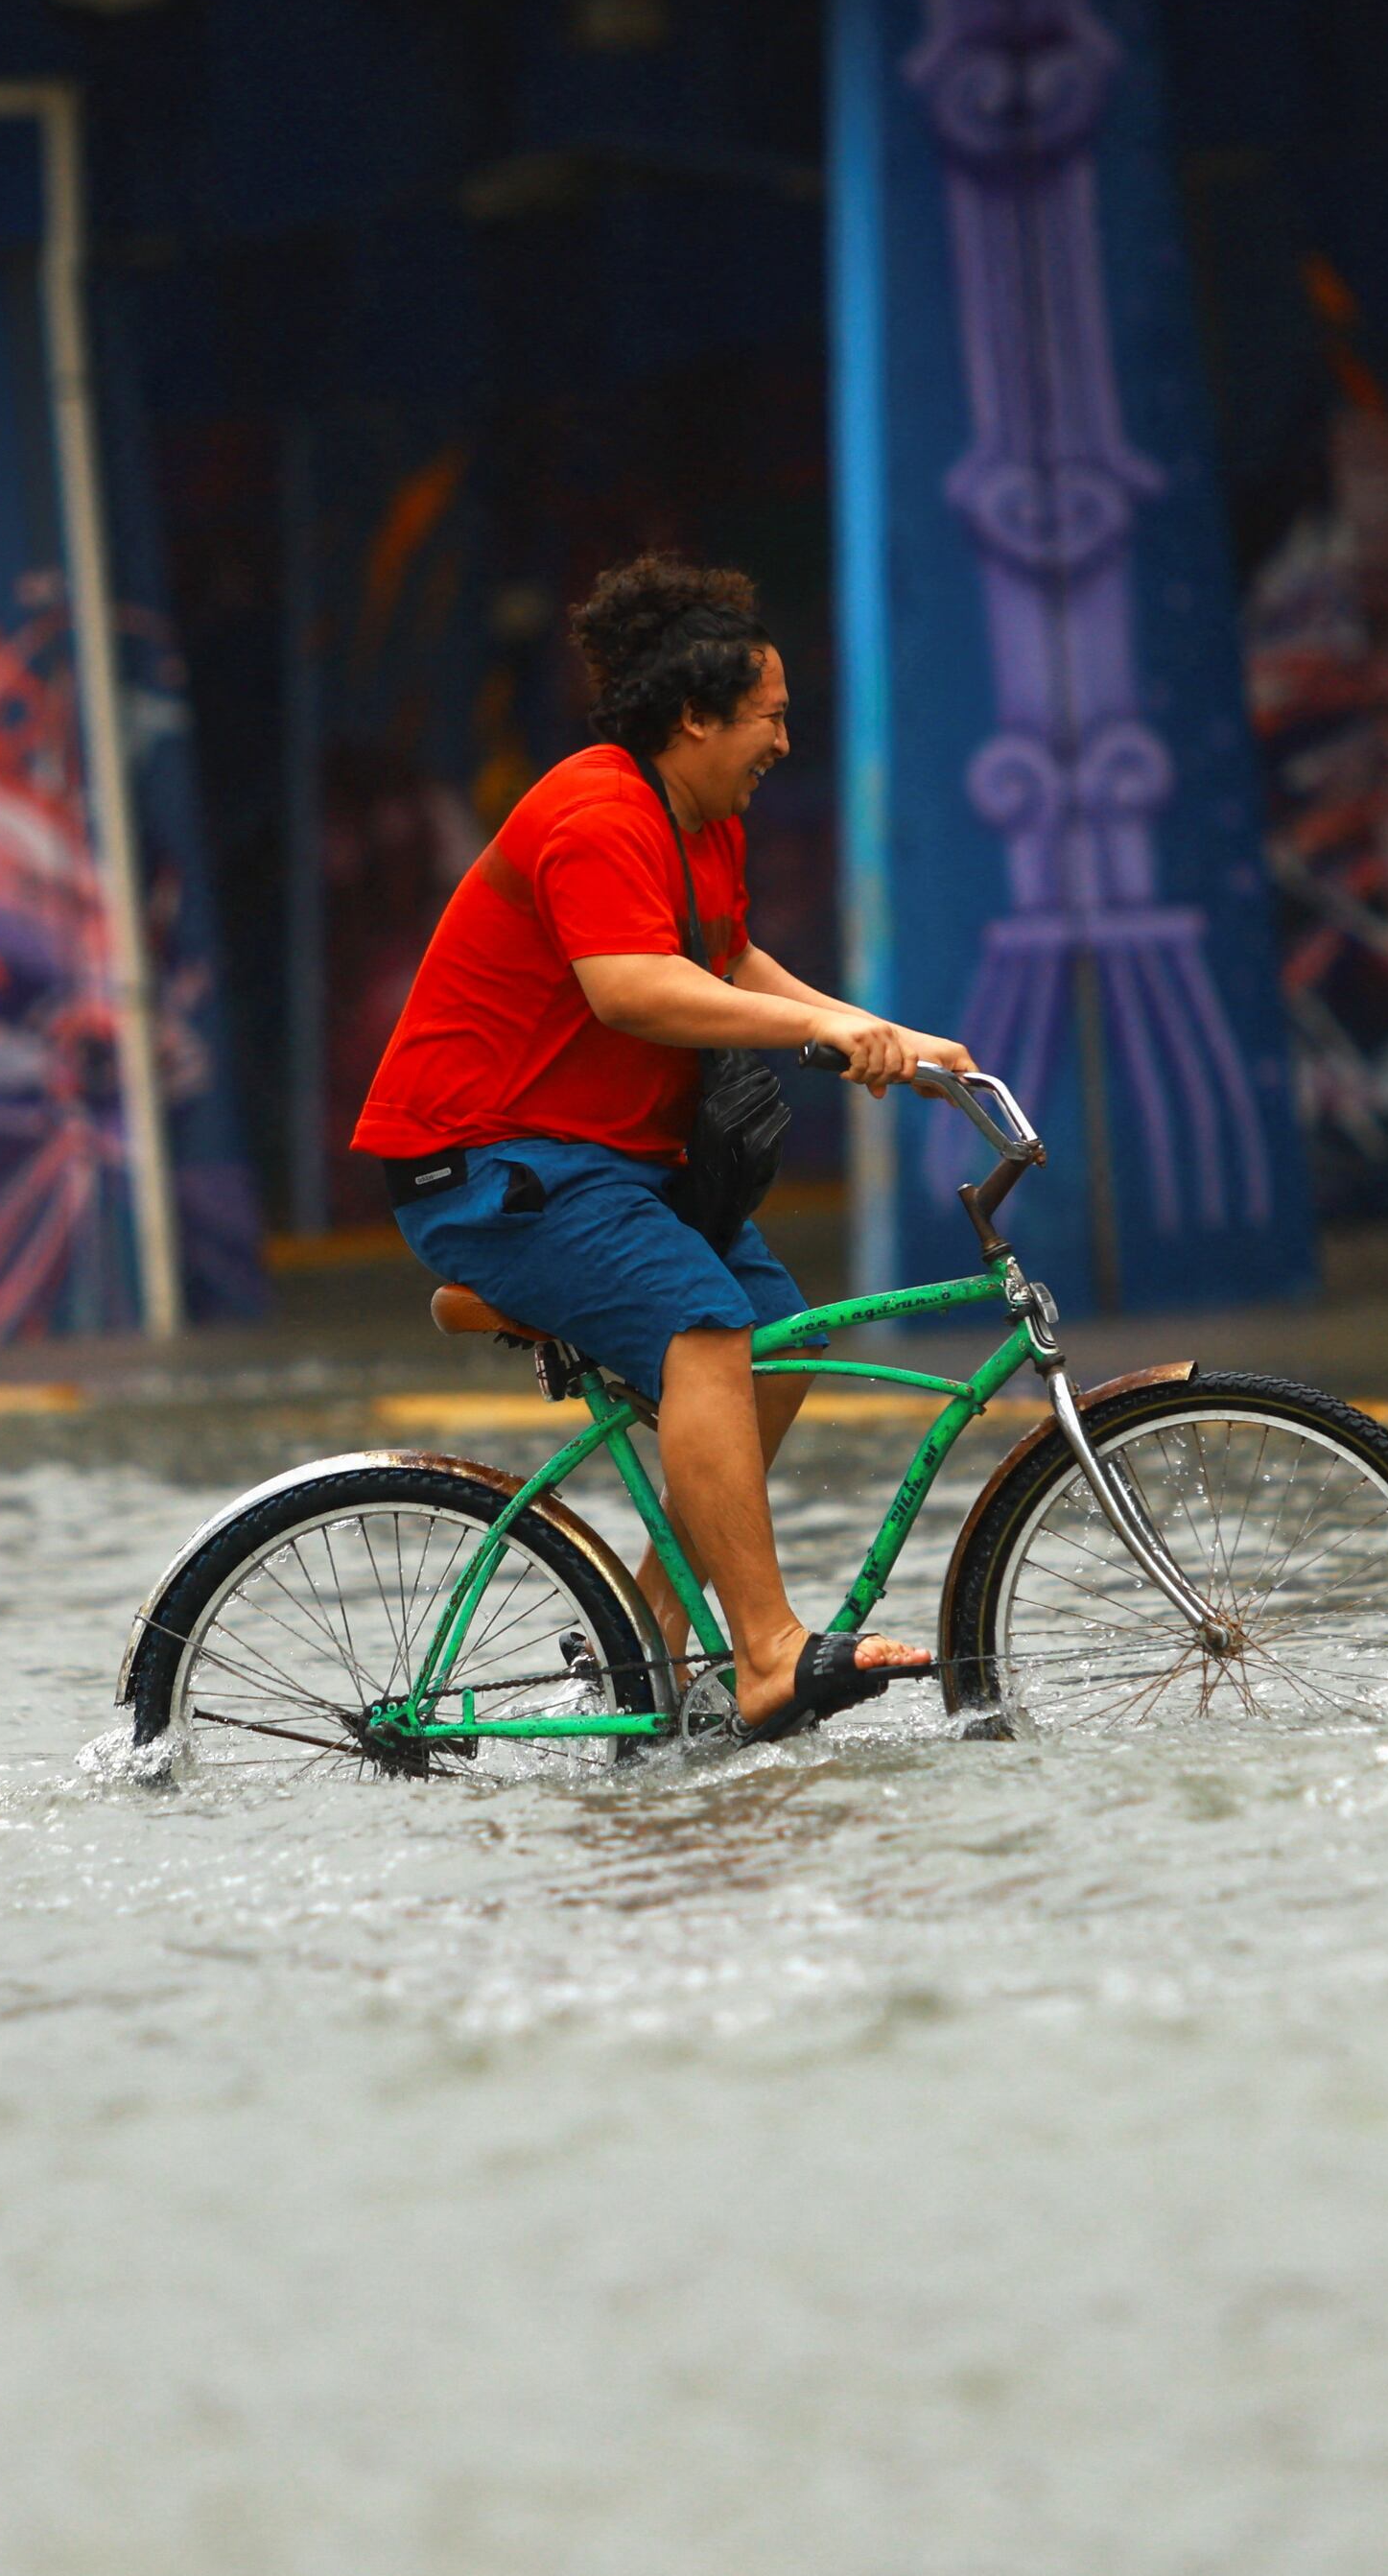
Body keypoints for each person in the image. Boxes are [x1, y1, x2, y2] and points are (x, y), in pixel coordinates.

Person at [352, 555, 974, 1739]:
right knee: (706, 1327)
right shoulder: (596, 811)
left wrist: (883, 1033)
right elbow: (632, 988)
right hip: (491, 1162)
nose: (783, 743)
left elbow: (725, 961)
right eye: (770, 718)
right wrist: (818, 1027)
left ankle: (646, 1628)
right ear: (694, 717)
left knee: (781, 1340)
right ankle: (767, 1653)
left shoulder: (699, 821)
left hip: (599, 1166)